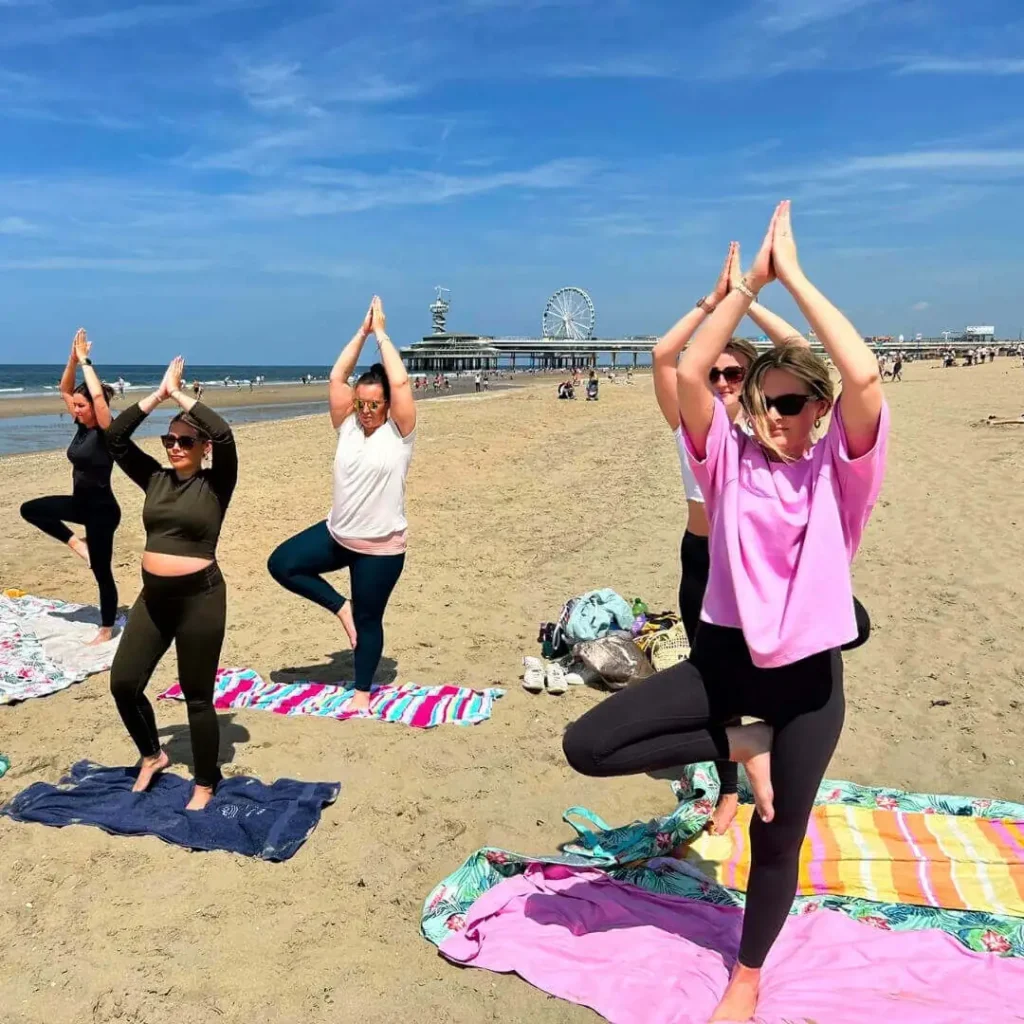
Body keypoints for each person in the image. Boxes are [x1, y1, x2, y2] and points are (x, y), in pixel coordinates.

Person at [564, 202, 888, 1022]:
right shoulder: (726, 468)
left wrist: (798, 279)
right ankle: (743, 743)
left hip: (810, 683)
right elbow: (685, 368)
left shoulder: (838, 477)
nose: (774, 418)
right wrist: (744, 287)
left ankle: (746, 974)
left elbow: (865, 377)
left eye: (790, 405)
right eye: (764, 403)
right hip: (724, 661)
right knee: (588, 744)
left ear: (817, 410)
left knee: (777, 837)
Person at [267, 297, 415, 715]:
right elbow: (337, 375)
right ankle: (340, 607)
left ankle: (363, 692)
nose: (366, 411)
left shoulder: (400, 434)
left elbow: (401, 384)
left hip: (380, 549)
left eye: (374, 404)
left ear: (387, 405)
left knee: (370, 623)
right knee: (282, 564)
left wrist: (382, 333)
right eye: (361, 403)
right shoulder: (348, 426)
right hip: (337, 535)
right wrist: (361, 332)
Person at [105, 356, 238, 811]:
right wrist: (157, 396)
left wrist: (184, 397)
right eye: (169, 440)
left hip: (200, 598)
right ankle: (153, 754)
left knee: (196, 696)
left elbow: (224, 433)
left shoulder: (216, 483)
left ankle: (205, 781)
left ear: (203, 448)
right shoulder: (155, 479)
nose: (175, 447)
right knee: (123, 682)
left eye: (184, 440)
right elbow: (115, 438)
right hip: (154, 600)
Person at [20, 329, 121, 644]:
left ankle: (106, 628)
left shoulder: (107, 430)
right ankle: (79, 544)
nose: (75, 410)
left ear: (94, 406)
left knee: (102, 573)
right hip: (80, 505)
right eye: (75, 406)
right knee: (31, 510)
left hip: (103, 512)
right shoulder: (81, 424)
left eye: (81, 405)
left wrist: (86, 361)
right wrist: (71, 359)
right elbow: (64, 388)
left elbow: (99, 399)